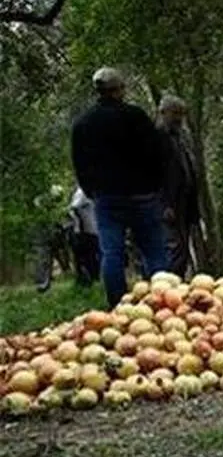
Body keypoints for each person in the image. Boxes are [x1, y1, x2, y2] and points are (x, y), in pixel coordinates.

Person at [71, 66, 169, 307]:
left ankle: (117, 304)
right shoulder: (135, 116)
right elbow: (156, 153)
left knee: (111, 253)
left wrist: (92, 190)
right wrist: (157, 186)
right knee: (154, 250)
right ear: (120, 89)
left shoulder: (83, 123)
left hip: (107, 197)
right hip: (143, 195)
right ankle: (163, 301)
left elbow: (79, 163)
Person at [157, 94, 200, 277]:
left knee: (182, 248)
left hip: (184, 203)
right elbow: (155, 175)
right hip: (169, 204)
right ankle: (169, 286)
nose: (178, 119)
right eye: (175, 113)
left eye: (181, 114)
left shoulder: (181, 137)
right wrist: (164, 204)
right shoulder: (157, 138)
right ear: (163, 112)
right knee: (172, 248)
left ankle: (179, 283)